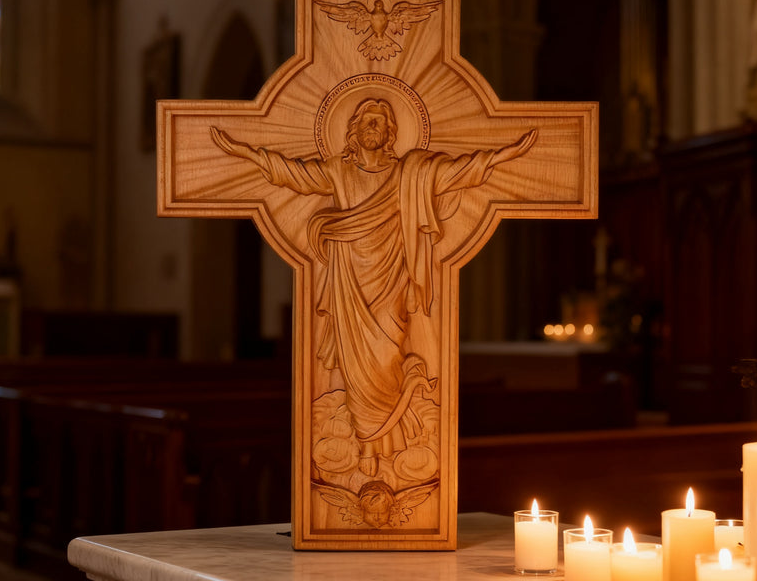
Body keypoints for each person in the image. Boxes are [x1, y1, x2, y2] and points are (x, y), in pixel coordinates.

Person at [211, 97, 537, 477]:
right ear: (353, 129)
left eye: (380, 122)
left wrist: (504, 155)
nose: (373, 126)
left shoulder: (410, 173)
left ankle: (385, 443)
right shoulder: (337, 170)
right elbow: (292, 175)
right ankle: (367, 449)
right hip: (350, 285)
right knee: (353, 369)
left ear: (389, 133)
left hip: (391, 283)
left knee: (387, 360)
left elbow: (457, 173)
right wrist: (244, 152)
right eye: (366, 120)